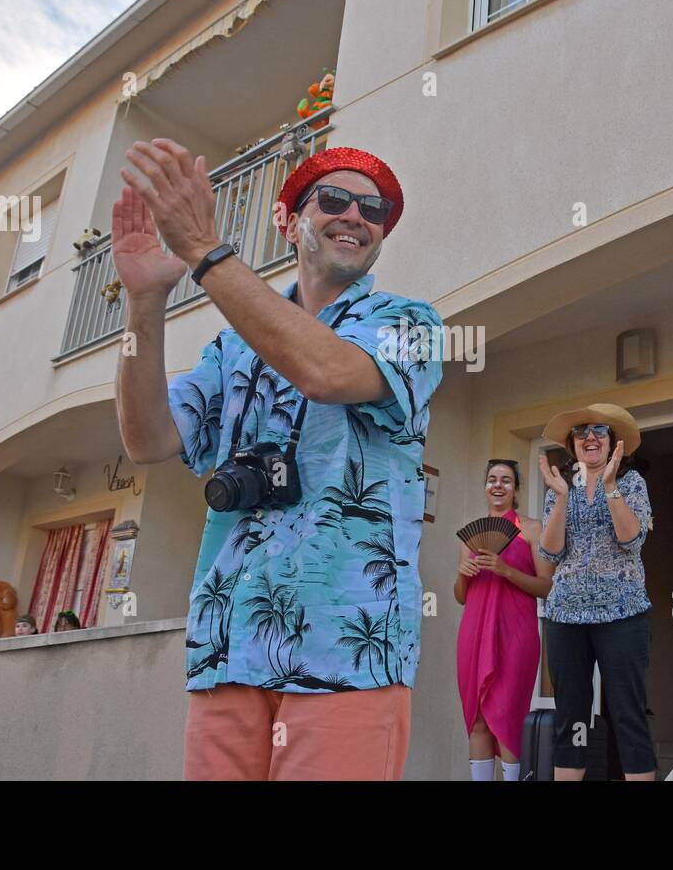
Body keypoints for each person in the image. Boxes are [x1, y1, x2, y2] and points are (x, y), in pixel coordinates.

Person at [113, 141, 443, 781]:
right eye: (335, 199)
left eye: (374, 209)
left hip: (346, 647)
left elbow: (326, 370)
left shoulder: (411, 323)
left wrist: (208, 255)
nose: (357, 215)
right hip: (230, 644)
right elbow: (146, 438)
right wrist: (145, 302)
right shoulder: (232, 345)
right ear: (288, 221)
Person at [536, 404, 656, 781]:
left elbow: (631, 540)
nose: (590, 436)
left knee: (627, 711)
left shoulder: (632, 482)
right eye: (581, 432)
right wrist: (559, 499)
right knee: (570, 713)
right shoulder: (559, 487)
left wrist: (609, 487)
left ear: (612, 443)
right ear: (573, 446)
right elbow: (551, 552)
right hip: (566, 616)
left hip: (623, 613)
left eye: (599, 430)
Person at [455, 459, 549, 781]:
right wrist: (462, 574)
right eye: (492, 479)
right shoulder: (471, 535)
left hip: (516, 632)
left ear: (517, 488)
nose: (498, 485)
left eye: (506, 480)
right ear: (485, 486)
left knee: (507, 714)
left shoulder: (532, 528)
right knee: (479, 718)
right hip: (475, 630)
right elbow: (460, 596)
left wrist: (505, 570)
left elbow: (546, 587)